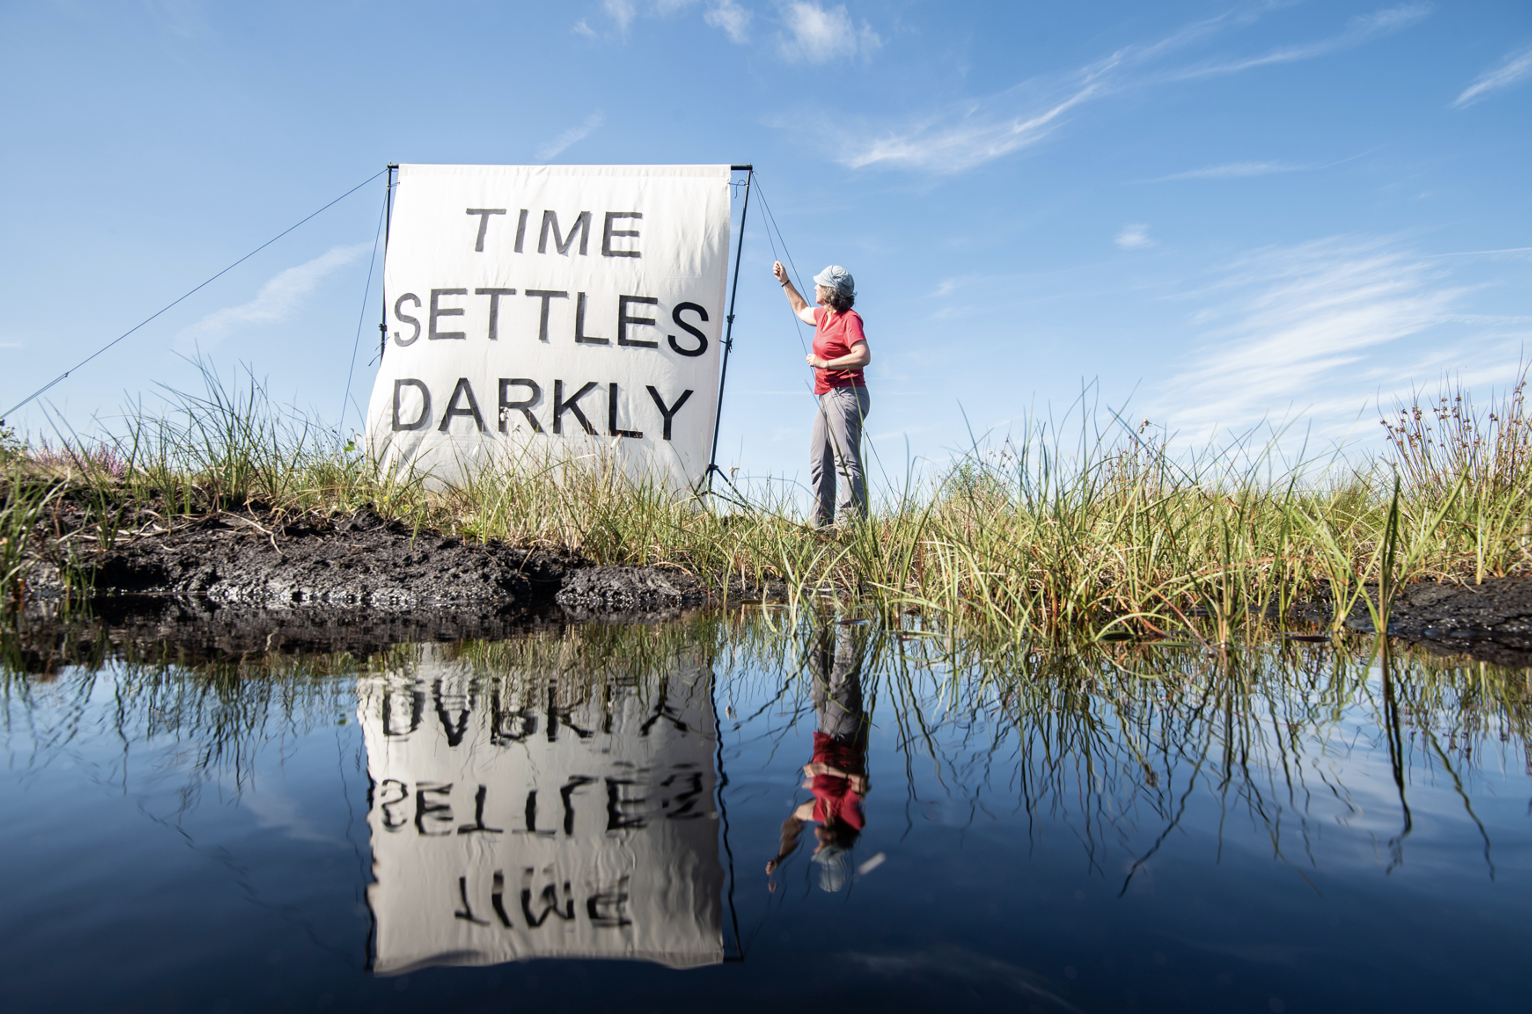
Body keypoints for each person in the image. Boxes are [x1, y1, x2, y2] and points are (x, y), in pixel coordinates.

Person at [765, 622, 870, 893]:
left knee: (817, 660)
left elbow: (793, 823)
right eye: (822, 846)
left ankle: (822, 612)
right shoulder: (848, 817)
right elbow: (860, 782)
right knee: (842, 672)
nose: (817, 844)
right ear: (833, 841)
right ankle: (850, 611)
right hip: (846, 736)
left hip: (824, 733)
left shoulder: (820, 812)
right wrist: (827, 769)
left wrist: (782, 855)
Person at [773, 261, 871, 528]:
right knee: (819, 460)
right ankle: (822, 523)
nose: (815, 285)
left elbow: (863, 355)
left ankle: (851, 525)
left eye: (819, 283)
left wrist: (824, 363)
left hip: (847, 394)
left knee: (845, 460)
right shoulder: (823, 316)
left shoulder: (849, 319)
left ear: (830, 290)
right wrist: (785, 281)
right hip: (827, 397)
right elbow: (801, 309)